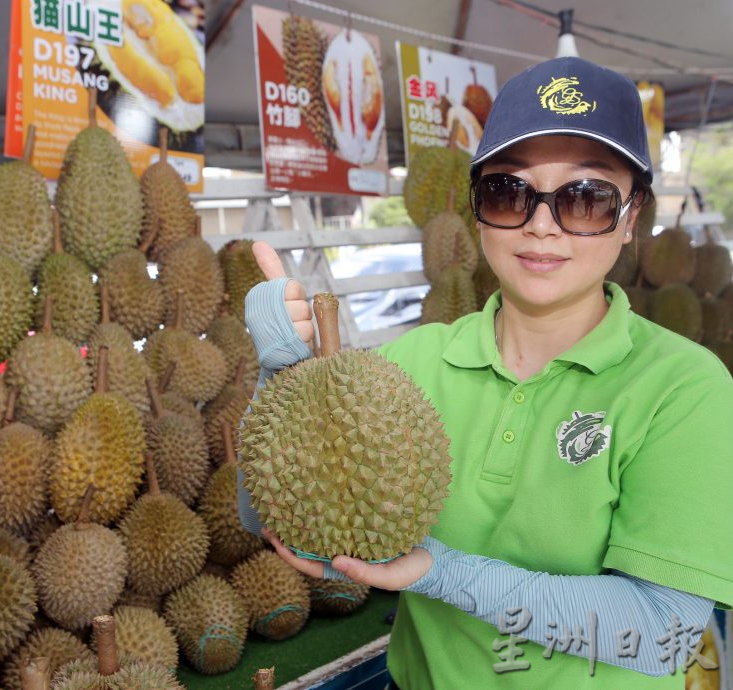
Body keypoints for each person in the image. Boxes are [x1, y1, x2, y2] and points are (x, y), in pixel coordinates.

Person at [238, 56, 733, 689]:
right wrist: (278, 378)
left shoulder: (683, 388)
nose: (541, 224)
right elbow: (273, 523)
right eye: (509, 191)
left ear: (632, 216)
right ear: (477, 209)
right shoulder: (408, 368)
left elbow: (662, 632)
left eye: (585, 198)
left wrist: (438, 571)